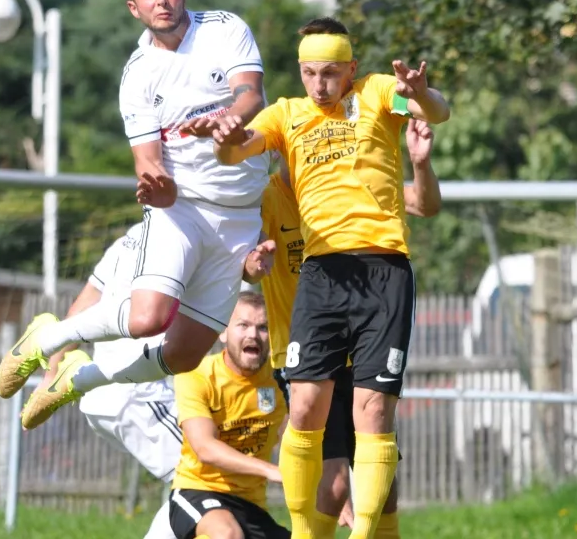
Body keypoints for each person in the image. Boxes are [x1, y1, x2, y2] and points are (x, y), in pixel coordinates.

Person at [0, 0, 270, 431]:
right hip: (182, 210)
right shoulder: (138, 74)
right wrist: (157, 187)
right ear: (134, 7)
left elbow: (250, 93)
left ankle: (79, 380)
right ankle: (46, 339)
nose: (162, 0)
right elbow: (147, 161)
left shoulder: (224, 28)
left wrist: (230, 119)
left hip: (242, 216)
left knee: (183, 356)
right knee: (147, 319)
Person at [211, 17, 450, 539]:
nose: (319, 85)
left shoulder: (377, 92)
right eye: (309, 73)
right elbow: (235, 150)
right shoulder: (287, 115)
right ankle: (303, 532)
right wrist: (225, 140)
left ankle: (364, 534)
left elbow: (437, 110)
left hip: (383, 269)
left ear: (351, 68)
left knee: (374, 414)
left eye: (331, 73)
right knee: (305, 409)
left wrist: (420, 93)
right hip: (321, 276)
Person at [257, 118, 441, 538]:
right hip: (305, 351)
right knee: (336, 483)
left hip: (359, 345)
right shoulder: (267, 199)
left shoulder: (350, 188)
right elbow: (240, 259)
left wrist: (420, 163)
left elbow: (425, 205)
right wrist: (251, 263)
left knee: (385, 486)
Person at [35, 226, 279, 539]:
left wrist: (50, 375)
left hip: (112, 392)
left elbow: (82, 308)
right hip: (138, 395)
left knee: (200, 487)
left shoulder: (130, 239)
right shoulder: (190, 238)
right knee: (201, 479)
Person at [168, 289, 288, 539]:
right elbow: (205, 448)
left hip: (251, 504)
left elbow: (297, 436)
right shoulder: (197, 374)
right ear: (223, 332)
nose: (253, 334)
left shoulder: (281, 380)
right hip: (198, 489)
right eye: (243, 325)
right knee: (226, 534)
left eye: (263, 327)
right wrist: (269, 469)